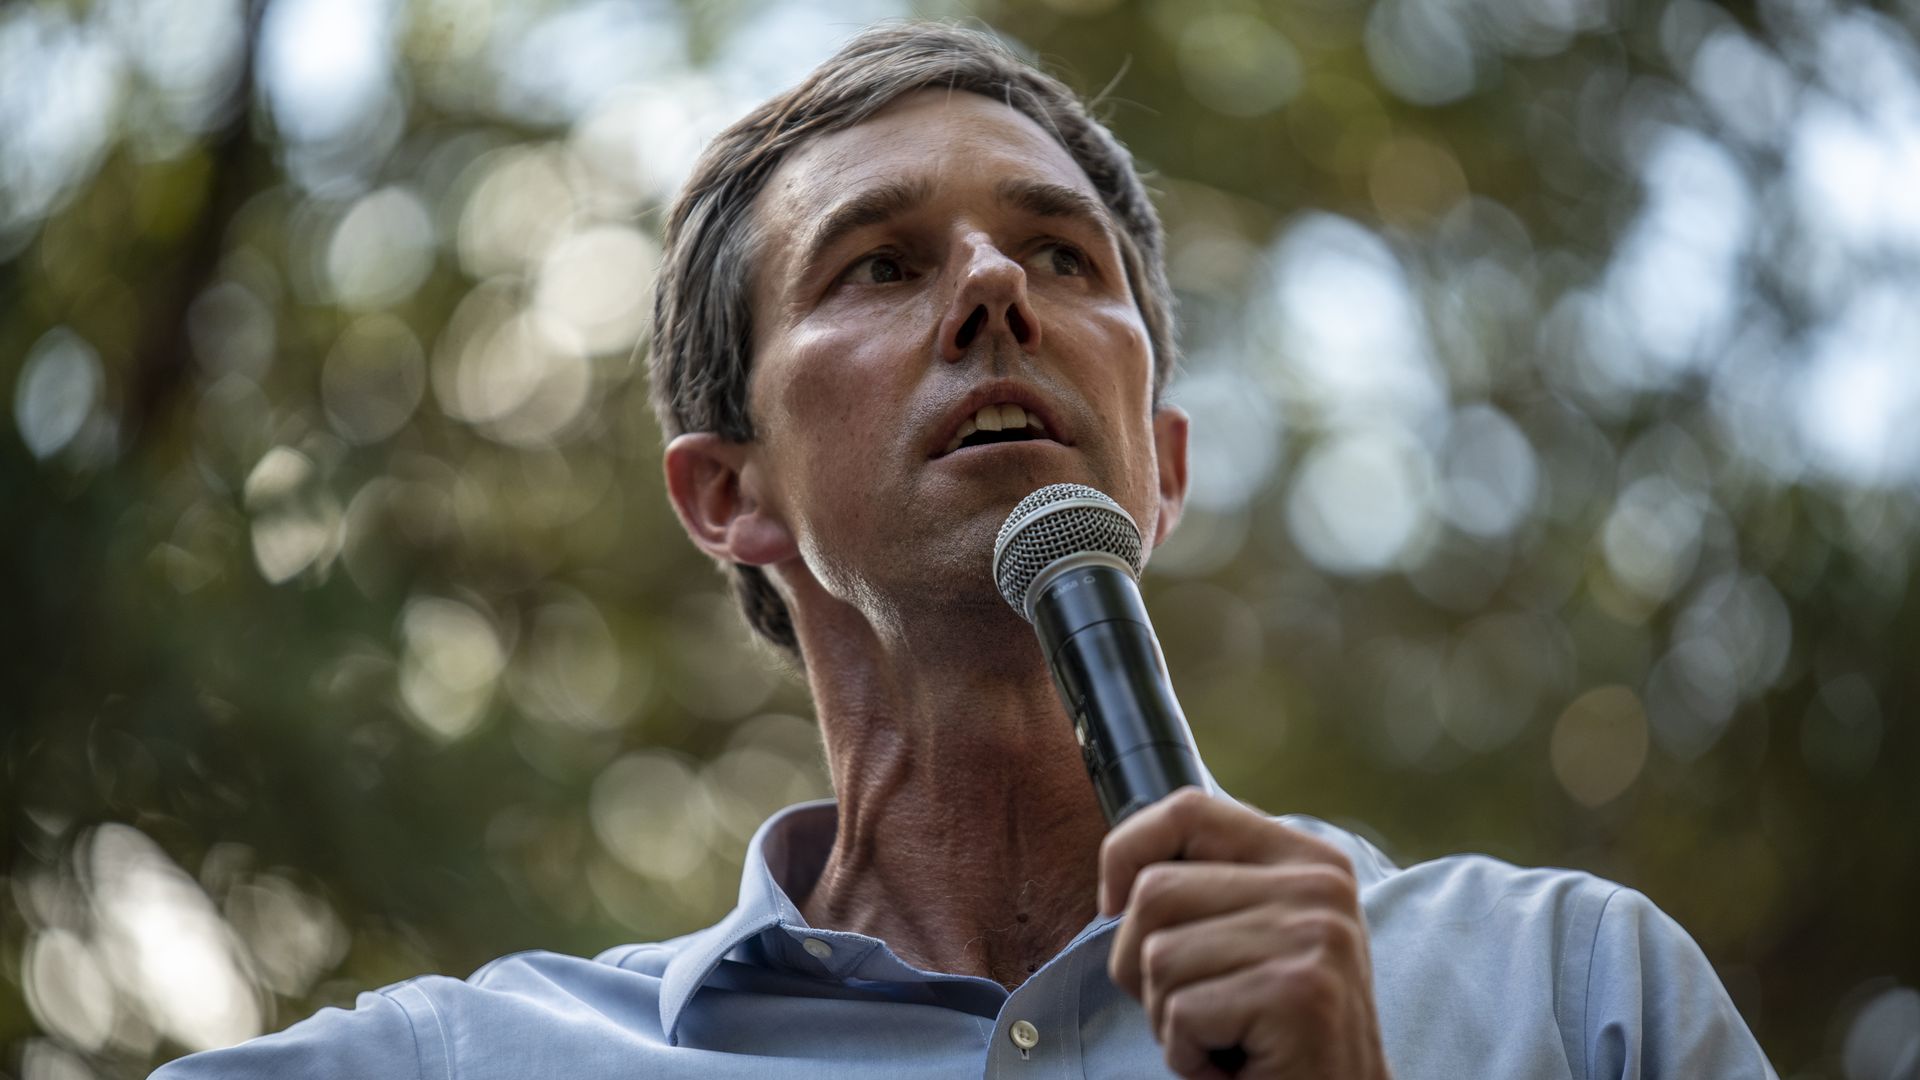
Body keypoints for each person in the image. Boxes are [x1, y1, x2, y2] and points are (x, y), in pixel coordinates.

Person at [154, 21, 1777, 1080]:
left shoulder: (1565, 998)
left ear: (1167, 468)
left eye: (1064, 255)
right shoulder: (474, 1063)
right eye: (875, 265)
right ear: (728, 495)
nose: (997, 287)